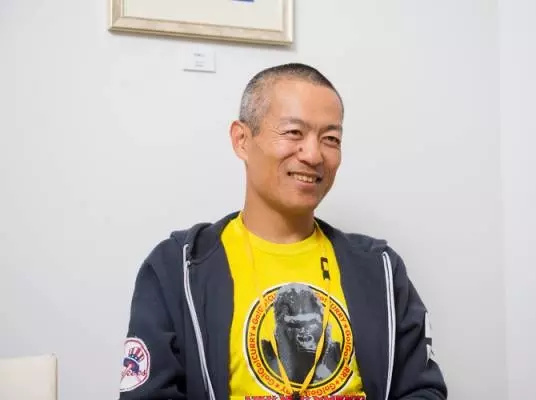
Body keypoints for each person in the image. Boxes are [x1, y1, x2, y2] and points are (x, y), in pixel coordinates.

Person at [118, 63, 448, 400]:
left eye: (330, 139)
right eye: (293, 132)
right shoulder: (178, 268)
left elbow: (424, 390)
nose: (313, 155)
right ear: (242, 140)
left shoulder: (380, 269)